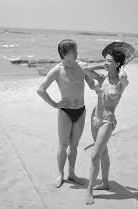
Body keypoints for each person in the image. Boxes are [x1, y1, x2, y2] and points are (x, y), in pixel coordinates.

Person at [37, 39, 98, 188]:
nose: (77, 53)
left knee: (74, 145)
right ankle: (60, 174)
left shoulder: (82, 66)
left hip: (80, 111)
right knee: (63, 145)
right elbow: (41, 90)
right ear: (64, 54)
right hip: (65, 112)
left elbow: (91, 85)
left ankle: (72, 173)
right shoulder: (57, 70)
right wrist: (55, 104)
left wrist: (97, 85)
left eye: (76, 50)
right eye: (73, 52)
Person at [84, 48, 129, 205]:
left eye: (110, 61)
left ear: (117, 63)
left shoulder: (121, 83)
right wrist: (103, 65)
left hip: (107, 121)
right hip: (94, 118)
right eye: (106, 60)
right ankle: (105, 182)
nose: (106, 63)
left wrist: (120, 67)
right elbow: (85, 69)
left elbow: (124, 76)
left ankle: (89, 190)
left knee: (95, 155)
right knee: (103, 152)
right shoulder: (102, 78)